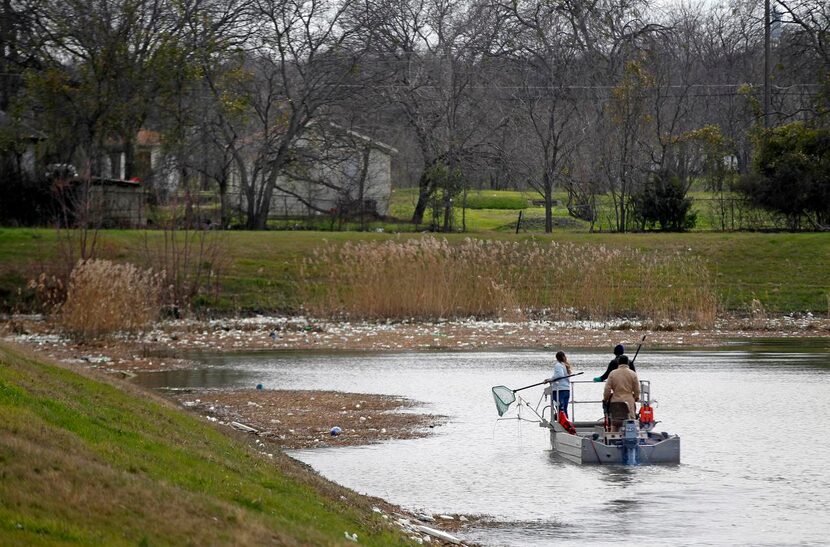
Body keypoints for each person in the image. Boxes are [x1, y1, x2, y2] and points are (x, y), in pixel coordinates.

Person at [602, 355, 640, 431]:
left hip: (615, 402)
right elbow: (637, 390)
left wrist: (605, 399)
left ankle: (612, 438)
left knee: (615, 423)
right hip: (629, 403)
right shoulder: (633, 374)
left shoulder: (612, 373)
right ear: (628, 363)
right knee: (631, 423)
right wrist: (636, 398)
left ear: (618, 363)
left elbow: (607, 389)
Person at [550, 351, 573, 418]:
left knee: (560, 409)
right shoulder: (565, 365)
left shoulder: (558, 365)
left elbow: (560, 375)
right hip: (566, 389)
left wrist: (550, 379)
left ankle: (562, 423)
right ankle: (566, 423)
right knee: (564, 409)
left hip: (559, 390)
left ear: (556, 358)